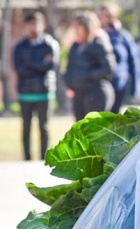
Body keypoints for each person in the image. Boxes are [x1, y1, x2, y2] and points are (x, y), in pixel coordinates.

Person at [13, 12, 59, 161]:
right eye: (30, 24)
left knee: (43, 127)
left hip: (44, 93)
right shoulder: (20, 47)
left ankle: (42, 159)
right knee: (26, 127)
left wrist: (30, 65)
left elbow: (51, 66)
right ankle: (26, 159)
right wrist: (39, 65)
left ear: (43, 24)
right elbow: (19, 69)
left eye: (36, 23)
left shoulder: (50, 44)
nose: (33, 27)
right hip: (25, 93)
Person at [63, 11, 116, 122]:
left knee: (94, 131)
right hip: (79, 93)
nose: (77, 29)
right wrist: (70, 82)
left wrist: (86, 75)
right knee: (80, 130)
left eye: (79, 25)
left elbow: (108, 68)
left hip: (96, 93)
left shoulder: (98, 42)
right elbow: (70, 67)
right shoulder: (75, 46)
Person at [96, 2, 140, 113]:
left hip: (118, 84)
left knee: (114, 117)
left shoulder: (123, 36)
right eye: (99, 16)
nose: (101, 18)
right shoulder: (96, 36)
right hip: (99, 86)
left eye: (104, 15)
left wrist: (134, 89)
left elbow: (134, 62)